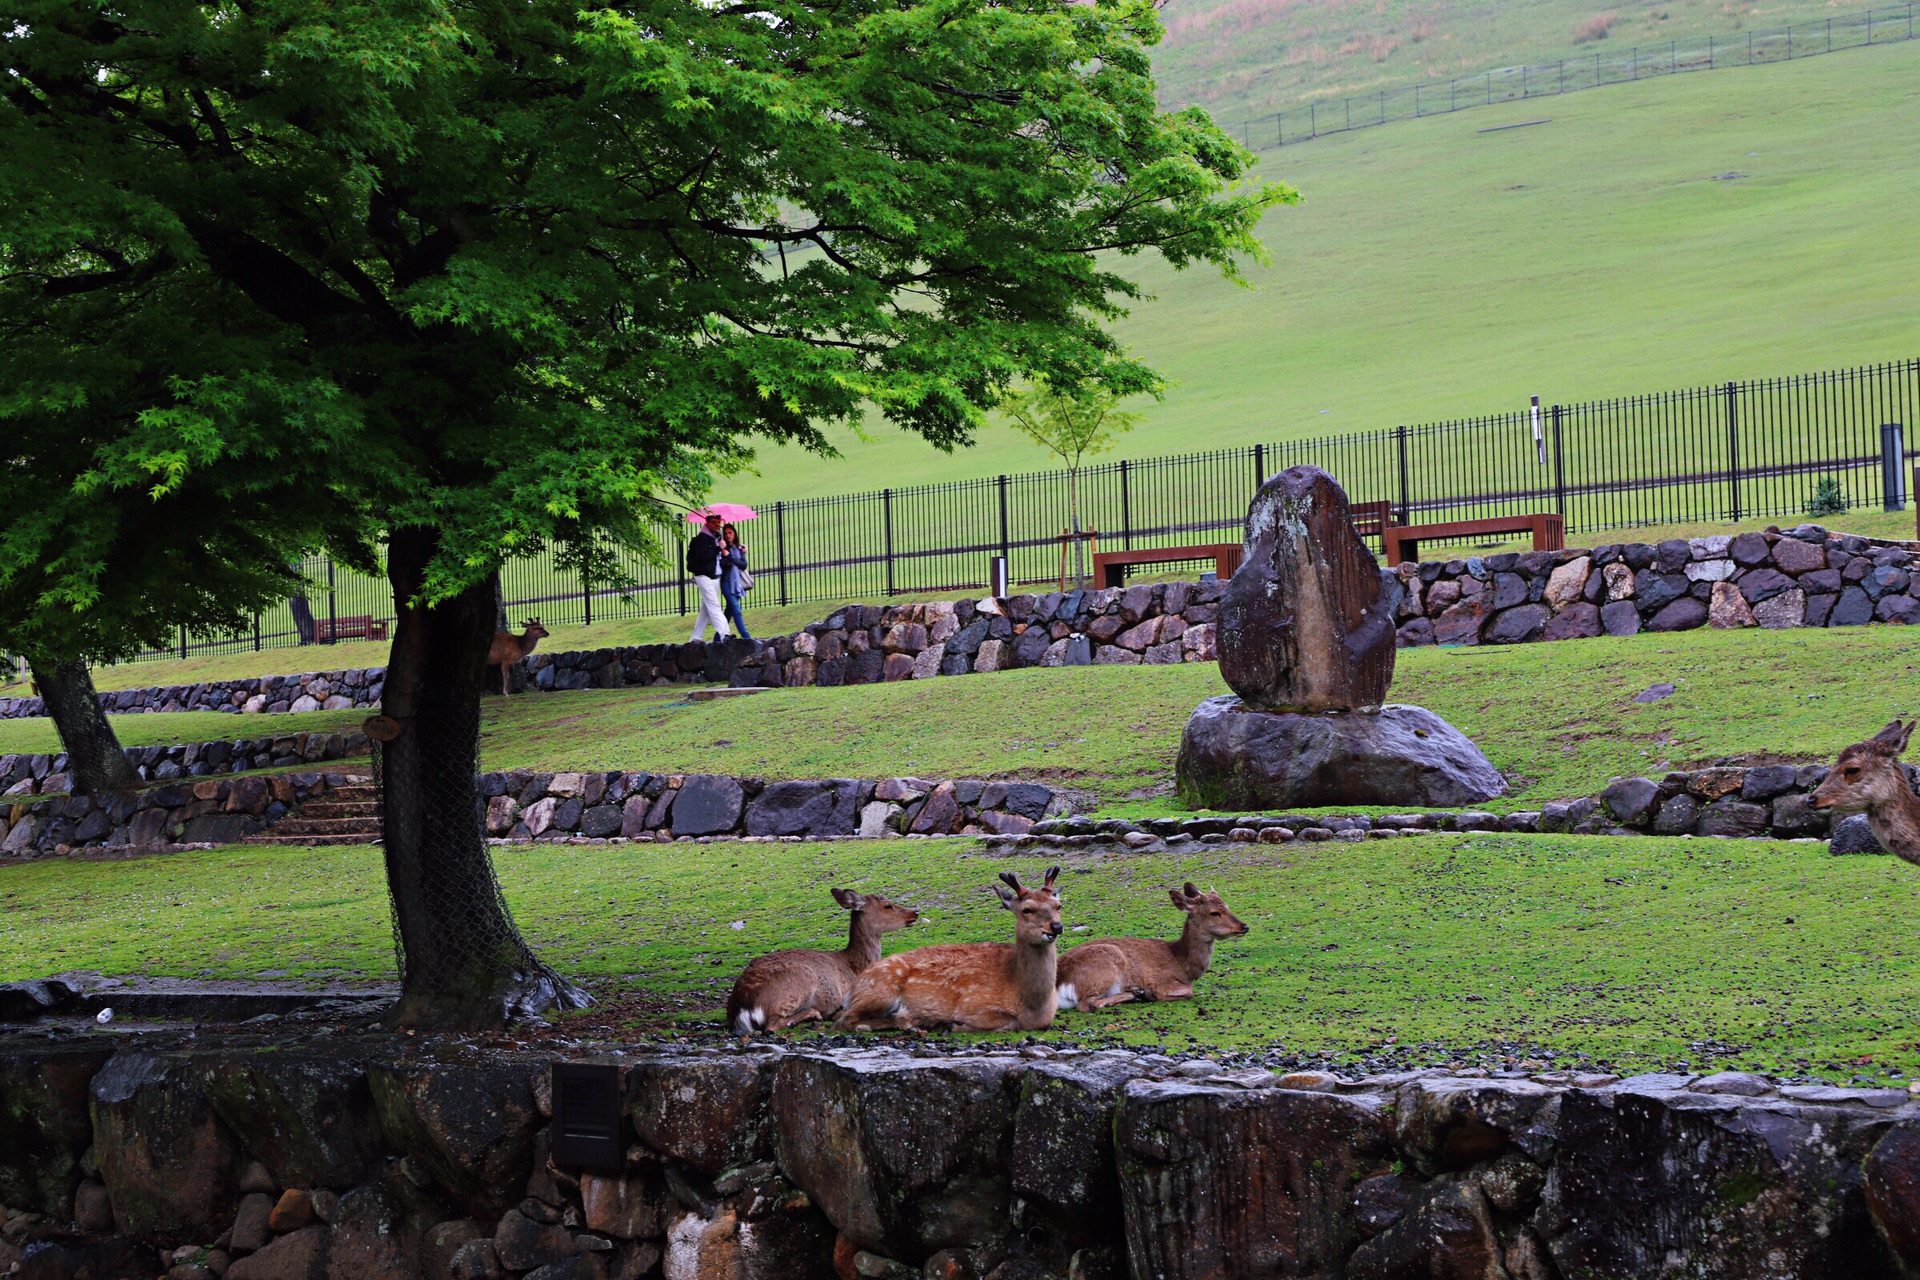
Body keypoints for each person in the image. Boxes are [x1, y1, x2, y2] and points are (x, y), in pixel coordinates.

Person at [686, 511, 732, 642]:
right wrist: (718, 548)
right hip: (703, 575)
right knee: (714, 605)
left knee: (706, 610)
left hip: (714, 576)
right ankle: (725, 634)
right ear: (707, 522)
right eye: (714, 522)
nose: (717, 525)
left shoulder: (717, 538)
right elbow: (703, 556)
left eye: (719, 522)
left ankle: (695, 637)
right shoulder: (701, 539)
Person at [720, 522, 753, 640]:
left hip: (737, 584)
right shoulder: (722, 549)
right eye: (726, 533)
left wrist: (732, 556)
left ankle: (717, 639)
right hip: (726, 582)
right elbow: (722, 565)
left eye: (730, 533)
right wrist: (725, 555)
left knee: (728, 613)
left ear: (734, 534)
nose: (728, 535)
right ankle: (746, 637)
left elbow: (743, 565)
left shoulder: (738, 549)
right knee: (736, 609)